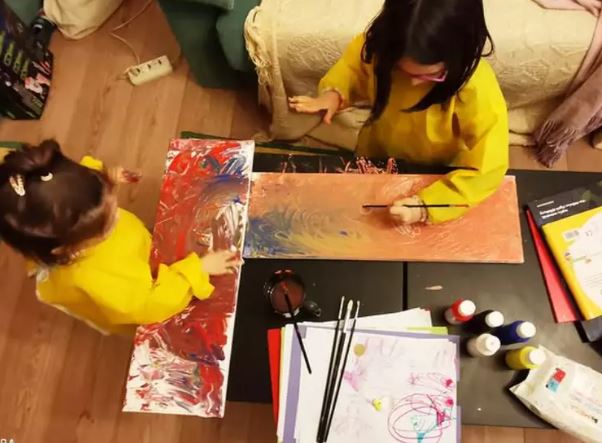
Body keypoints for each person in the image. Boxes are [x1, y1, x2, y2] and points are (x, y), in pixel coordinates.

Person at [289, 0, 508, 225]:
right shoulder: (378, 48)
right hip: (374, 152)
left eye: (430, 76)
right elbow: (353, 71)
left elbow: (490, 167)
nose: (413, 83)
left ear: (461, 52)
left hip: (434, 172)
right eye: (400, 70)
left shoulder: (477, 88)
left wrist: (426, 206)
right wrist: (334, 94)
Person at [0, 140, 239, 335]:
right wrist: (198, 269)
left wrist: (105, 179)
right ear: (66, 247)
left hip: (117, 254)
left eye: (110, 204)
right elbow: (149, 305)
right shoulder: (94, 277)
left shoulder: (57, 201)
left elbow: (74, 185)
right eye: (106, 223)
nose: (116, 215)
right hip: (127, 295)